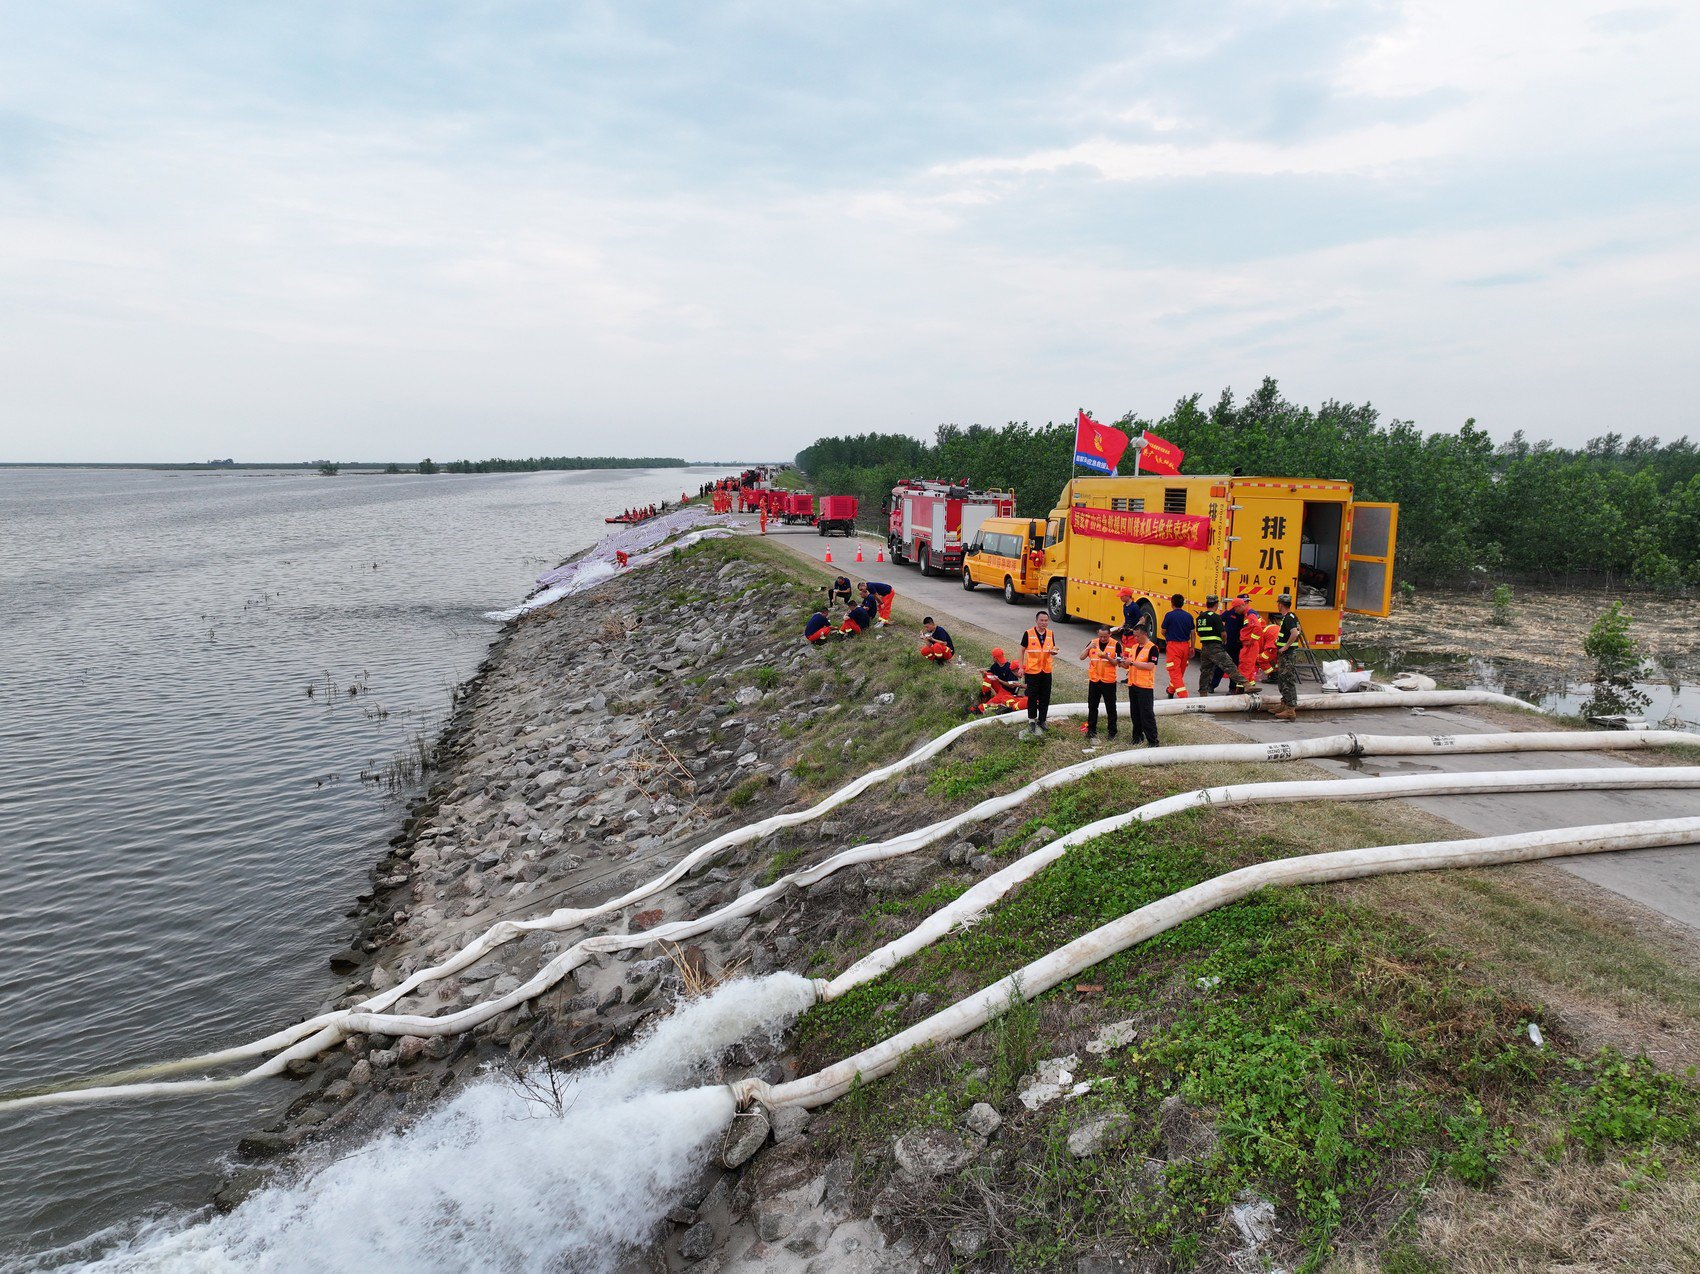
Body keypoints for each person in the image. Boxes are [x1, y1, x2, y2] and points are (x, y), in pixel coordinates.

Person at [1195, 595, 1255, 697]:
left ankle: (1203, 693)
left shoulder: (1200, 618)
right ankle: (1246, 685)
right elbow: (1223, 633)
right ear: (1216, 604)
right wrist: (1223, 642)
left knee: (1205, 671)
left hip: (1205, 648)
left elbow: (1199, 632)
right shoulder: (1216, 617)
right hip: (1217, 647)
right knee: (1230, 666)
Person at [1120, 620, 1161, 747]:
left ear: (1145, 634)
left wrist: (1131, 663)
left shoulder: (1152, 648)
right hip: (1133, 685)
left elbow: (1150, 666)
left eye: (1138, 636)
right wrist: (1122, 663)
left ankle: (1153, 741)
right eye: (1134, 636)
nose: (1136, 639)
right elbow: (1130, 665)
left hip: (1145, 687)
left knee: (1147, 715)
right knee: (1135, 714)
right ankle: (1137, 737)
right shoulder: (1134, 647)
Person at [1018, 611, 1058, 738]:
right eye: (1042, 620)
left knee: (1045, 696)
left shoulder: (1050, 634)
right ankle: (1031, 721)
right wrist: (1020, 667)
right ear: (1036, 621)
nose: (1044, 623)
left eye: (1046, 620)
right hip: (1032, 670)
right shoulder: (1028, 633)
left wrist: (1053, 652)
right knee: (1032, 696)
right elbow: (1021, 650)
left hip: (1046, 670)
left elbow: (1052, 649)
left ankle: (1042, 720)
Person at [1079, 625, 1120, 742]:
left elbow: (1117, 663)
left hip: (1109, 681)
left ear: (1110, 635)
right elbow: (1081, 657)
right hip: (1095, 681)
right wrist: (1088, 648)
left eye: (1105, 637)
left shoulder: (1116, 644)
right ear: (1098, 634)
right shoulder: (1093, 642)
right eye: (1100, 636)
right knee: (1092, 706)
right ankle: (1091, 730)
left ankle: (1112, 732)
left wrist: (1107, 657)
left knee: (1111, 708)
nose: (1102, 639)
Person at [1268, 594, 1304, 720]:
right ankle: (1284, 704)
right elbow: (1298, 629)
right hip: (1286, 654)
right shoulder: (1291, 616)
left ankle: (1290, 709)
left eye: (1278, 604)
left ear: (1280, 605)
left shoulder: (1288, 618)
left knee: (1287, 679)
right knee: (1282, 678)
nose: (1277, 605)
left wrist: (1285, 647)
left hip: (1287, 654)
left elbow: (1294, 633)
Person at [1209, 595, 1249, 694]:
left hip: (1236, 645)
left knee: (1234, 667)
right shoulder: (1230, 612)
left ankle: (1232, 688)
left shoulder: (1246, 614)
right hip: (1226, 643)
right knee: (1220, 665)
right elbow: (1219, 619)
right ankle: (1212, 685)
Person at [1160, 594, 1195, 699]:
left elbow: (1163, 631)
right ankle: (1170, 690)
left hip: (1173, 646)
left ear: (1172, 603)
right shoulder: (1189, 616)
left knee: (1175, 672)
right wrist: (1192, 647)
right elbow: (1193, 633)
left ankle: (1183, 697)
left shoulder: (1169, 615)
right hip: (1185, 645)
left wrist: (1168, 638)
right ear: (1182, 604)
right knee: (1179, 672)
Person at [973, 648, 1026, 715]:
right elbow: (986, 677)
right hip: (1002, 689)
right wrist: (983, 673)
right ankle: (985, 697)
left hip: (1007, 692)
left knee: (996, 702)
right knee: (988, 675)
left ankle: (980, 709)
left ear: (995, 658)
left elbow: (1012, 685)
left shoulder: (1010, 668)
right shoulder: (994, 666)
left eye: (993, 657)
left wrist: (999, 680)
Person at [1239, 606, 1268, 685]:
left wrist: (1251, 640)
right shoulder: (1249, 614)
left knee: (1245, 666)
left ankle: (1242, 687)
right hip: (1251, 644)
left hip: (1250, 645)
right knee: (1249, 666)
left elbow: (1258, 628)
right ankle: (1251, 685)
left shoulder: (1250, 614)